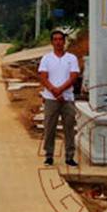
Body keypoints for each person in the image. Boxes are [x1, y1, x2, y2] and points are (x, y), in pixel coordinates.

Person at [37, 29, 79, 167]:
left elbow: (73, 77)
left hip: (67, 98)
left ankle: (69, 156)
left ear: (64, 41)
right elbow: (43, 76)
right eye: (55, 39)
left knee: (69, 128)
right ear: (52, 42)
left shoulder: (71, 58)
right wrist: (53, 91)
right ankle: (49, 156)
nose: (58, 42)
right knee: (49, 128)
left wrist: (60, 90)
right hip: (50, 98)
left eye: (60, 39)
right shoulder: (46, 58)